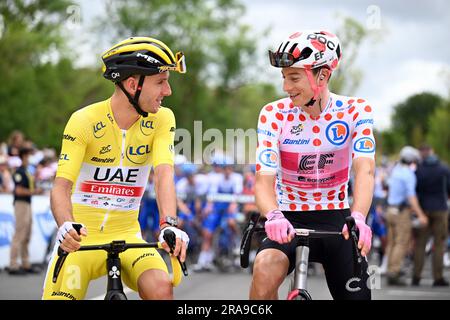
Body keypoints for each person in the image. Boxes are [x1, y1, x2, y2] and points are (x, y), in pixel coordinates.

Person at [42, 36, 189, 300]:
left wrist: (170, 224)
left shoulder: (162, 118)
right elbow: (61, 187)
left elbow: (164, 174)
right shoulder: (84, 120)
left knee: (161, 289)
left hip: (128, 235)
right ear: (133, 84)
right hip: (81, 239)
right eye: (161, 82)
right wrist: (65, 226)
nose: (167, 92)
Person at [250, 30, 375, 300]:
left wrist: (360, 216)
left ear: (323, 75)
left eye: (294, 77)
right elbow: (263, 180)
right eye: (284, 77)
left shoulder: (355, 110)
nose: (286, 87)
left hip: (338, 220)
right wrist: (272, 215)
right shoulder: (274, 114)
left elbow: (364, 170)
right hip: (287, 218)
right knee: (263, 272)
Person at [385, 146, 428, 286]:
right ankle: (394, 272)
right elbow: (411, 197)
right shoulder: (408, 174)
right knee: (401, 243)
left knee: (392, 243)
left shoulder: (396, 170)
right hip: (401, 212)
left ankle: (390, 268)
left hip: (390, 210)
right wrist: (421, 214)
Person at [412, 144, 450, 286]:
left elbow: (415, 189)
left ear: (423, 153)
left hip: (424, 210)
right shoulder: (443, 168)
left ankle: (416, 276)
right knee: (439, 244)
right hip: (440, 208)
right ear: (432, 152)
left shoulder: (419, 170)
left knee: (420, 244)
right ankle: (438, 277)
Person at [9, 147, 43, 275]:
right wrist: (34, 191)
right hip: (21, 203)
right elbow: (18, 190)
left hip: (27, 203)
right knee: (20, 233)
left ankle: (25, 263)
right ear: (23, 156)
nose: (30, 158)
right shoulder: (19, 171)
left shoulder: (27, 171)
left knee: (27, 234)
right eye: (28, 156)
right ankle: (13, 264)